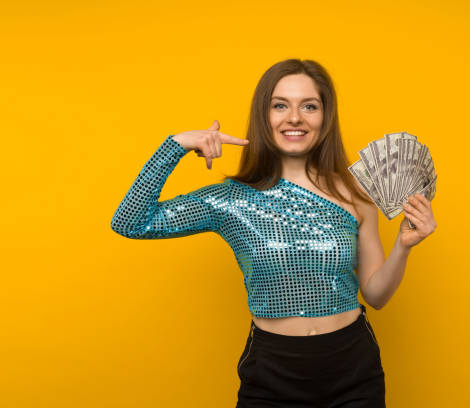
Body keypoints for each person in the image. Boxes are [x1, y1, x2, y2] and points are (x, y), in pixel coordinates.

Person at [110, 58, 437, 408]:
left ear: (325, 118)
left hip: (353, 366)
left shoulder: (355, 195)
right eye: (280, 105)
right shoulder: (229, 199)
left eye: (308, 106)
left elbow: (376, 295)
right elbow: (131, 222)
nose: (294, 117)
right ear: (264, 117)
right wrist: (176, 144)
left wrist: (404, 246)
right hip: (272, 371)